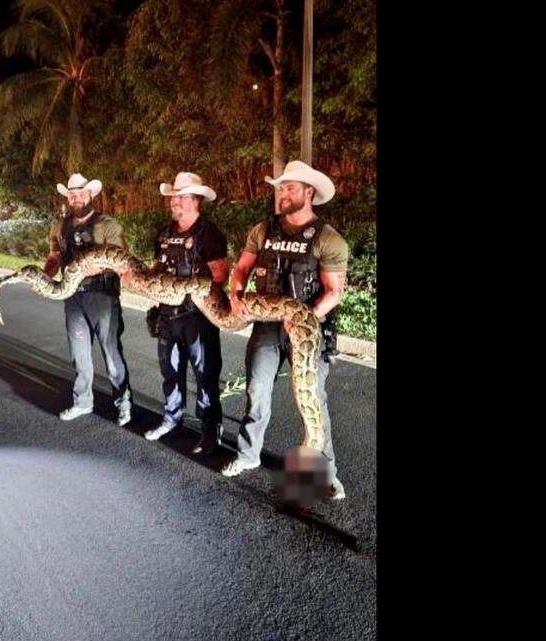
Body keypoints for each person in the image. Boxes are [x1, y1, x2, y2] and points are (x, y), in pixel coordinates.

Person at [220, 161, 349, 500]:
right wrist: (235, 295)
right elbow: (242, 269)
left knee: (312, 401)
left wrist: (305, 317)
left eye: (291, 187)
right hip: (266, 328)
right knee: (256, 392)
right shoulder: (263, 230)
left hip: (306, 333)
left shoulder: (327, 238)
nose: (283, 193)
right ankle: (248, 456)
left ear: (309, 192)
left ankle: (327, 474)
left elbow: (334, 292)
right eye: (281, 187)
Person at [131, 172, 230, 456]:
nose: (174, 202)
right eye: (173, 197)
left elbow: (220, 275)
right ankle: (171, 418)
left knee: (204, 375)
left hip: (197, 318)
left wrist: (187, 287)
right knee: (170, 372)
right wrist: (140, 279)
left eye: (180, 197)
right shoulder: (164, 233)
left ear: (196, 200)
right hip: (166, 316)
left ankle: (210, 430)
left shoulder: (209, 234)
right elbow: (155, 270)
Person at [42, 172, 132, 426]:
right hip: (73, 297)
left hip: (102, 296)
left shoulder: (108, 225)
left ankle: (123, 402)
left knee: (111, 352)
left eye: (81, 193)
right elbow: (54, 257)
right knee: (79, 354)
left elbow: (122, 262)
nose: (77, 198)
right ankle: (82, 402)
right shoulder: (59, 226)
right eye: (72, 194)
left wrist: (96, 269)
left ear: (90, 194)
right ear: (68, 197)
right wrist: (44, 275)